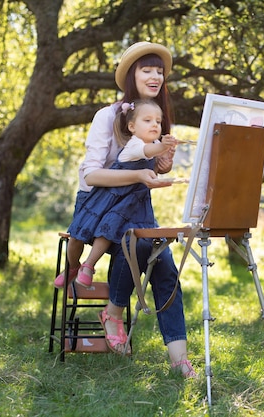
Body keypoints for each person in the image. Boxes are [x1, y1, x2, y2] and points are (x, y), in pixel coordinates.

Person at [53, 42, 196, 378]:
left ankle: (180, 360)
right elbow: (91, 174)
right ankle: (114, 312)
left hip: (134, 204)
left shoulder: (157, 115)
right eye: (147, 69)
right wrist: (137, 174)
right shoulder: (108, 115)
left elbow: (153, 168)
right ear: (132, 75)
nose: (156, 76)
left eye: (159, 71)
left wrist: (164, 161)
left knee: (164, 264)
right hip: (97, 205)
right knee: (141, 246)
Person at [66, 99, 178, 288]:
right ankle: (73, 267)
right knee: (78, 234)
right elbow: (148, 151)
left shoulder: (154, 144)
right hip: (111, 197)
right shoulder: (136, 145)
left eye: (158, 122)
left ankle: (88, 266)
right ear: (132, 127)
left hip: (129, 203)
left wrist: (164, 164)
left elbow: (152, 169)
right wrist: (162, 147)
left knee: (107, 231)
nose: (155, 125)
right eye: (148, 120)